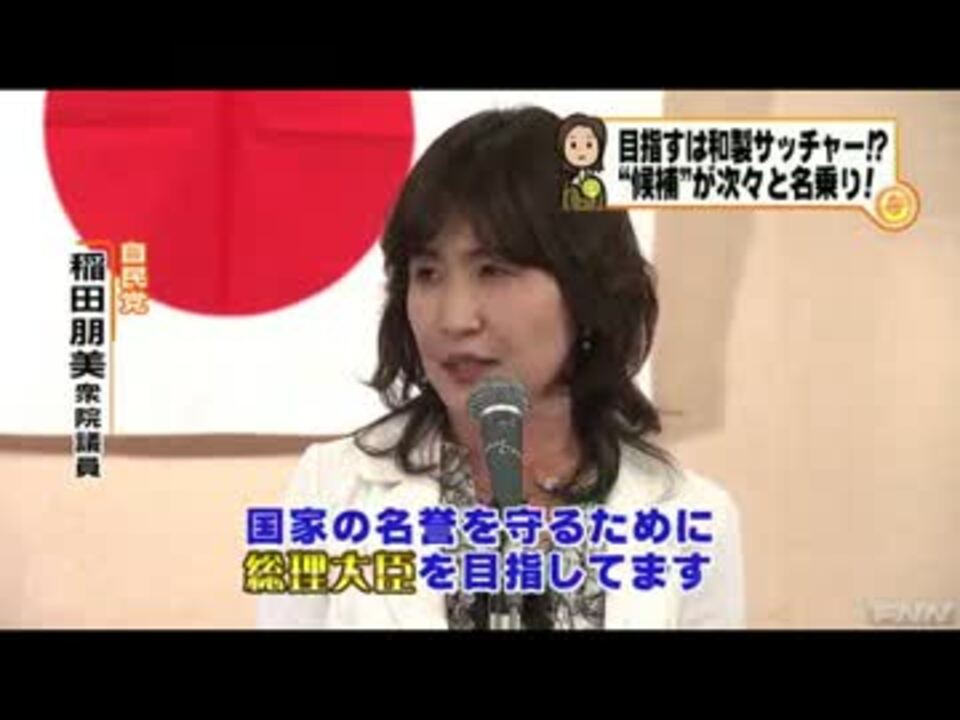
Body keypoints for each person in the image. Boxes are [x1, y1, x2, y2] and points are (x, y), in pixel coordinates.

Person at [257, 106, 745, 629]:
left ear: (585, 290)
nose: (455, 318)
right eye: (428, 273)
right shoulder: (328, 491)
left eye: (493, 270)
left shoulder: (691, 518)